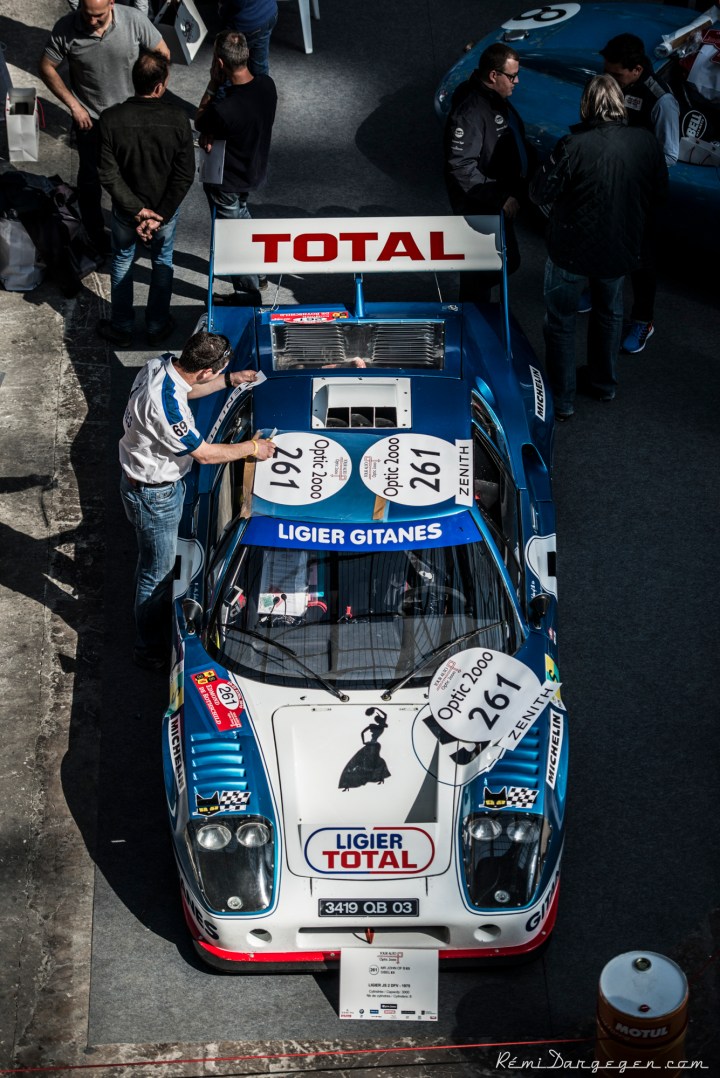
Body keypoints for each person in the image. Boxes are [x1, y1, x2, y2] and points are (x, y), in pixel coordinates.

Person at [119, 330, 276, 670]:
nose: (218, 375)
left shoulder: (160, 366)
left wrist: (230, 380)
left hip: (149, 484)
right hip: (154, 494)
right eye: (218, 372)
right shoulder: (167, 408)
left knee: (153, 562)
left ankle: (147, 613)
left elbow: (189, 388)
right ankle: (148, 648)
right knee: (157, 575)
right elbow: (204, 454)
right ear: (205, 370)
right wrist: (253, 447)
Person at [529, 74, 668, 421]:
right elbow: (659, 195)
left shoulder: (573, 145)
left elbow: (539, 192)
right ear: (620, 104)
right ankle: (603, 383)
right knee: (609, 315)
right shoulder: (646, 142)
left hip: (570, 249)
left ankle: (562, 399)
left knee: (560, 322)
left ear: (587, 105)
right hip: (620, 247)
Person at [39, 0, 169, 255]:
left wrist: (153, 99)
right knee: (90, 179)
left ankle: (142, 225)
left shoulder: (133, 20)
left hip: (131, 117)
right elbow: (46, 67)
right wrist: (74, 106)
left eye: (98, 16)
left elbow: (162, 54)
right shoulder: (66, 27)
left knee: (137, 175)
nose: (91, 21)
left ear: (111, 3)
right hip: (91, 121)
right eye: (86, 14)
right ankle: (95, 235)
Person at [96, 50, 195, 347]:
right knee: (162, 262)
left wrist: (138, 211)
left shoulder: (110, 119)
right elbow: (184, 175)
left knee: (122, 261)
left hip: (126, 211)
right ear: (160, 86)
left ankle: (122, 327)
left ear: (134, 80)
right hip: (164, 213)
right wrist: (158, 214)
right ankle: (157, 325)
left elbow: (108, 174)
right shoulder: (178, 119)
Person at [601, 32, 680, 354]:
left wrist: (631, 164)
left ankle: (643, 320)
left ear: (636, 70)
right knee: (604, 240)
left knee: (641, 258)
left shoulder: (662, 101)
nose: (610, 80)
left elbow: (670, 154)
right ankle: (601, 293)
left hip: (642, 193)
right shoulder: (612, 83)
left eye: (617, 74)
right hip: (611, 182)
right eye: (607, 72)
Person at [443, 43, 530, 303]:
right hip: (481, 204)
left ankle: (476, 313)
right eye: (512, 76)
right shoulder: (471, 111)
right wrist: (499, 197)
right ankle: (472, 315)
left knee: (491, 266)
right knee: (490, 268)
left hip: (496, 197)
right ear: (494, 75)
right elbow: (461, 166)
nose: (517, 81)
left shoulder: (491, 98)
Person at [195, 29, 277, 302]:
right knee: (242, 219)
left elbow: (200, 119)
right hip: (252, 172)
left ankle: (247, 294)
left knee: (231, 238)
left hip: (226, 180)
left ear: (220, 64)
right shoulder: (267, 85)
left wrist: (212, 84)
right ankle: (259, 273)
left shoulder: (224, 110)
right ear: (247, 54)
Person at [218, 0, 278, 76]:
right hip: (268, 10)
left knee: (230, 67)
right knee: (259, 64)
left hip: (248, 22)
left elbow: (237, 4)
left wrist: (222, 10)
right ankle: (262, 82)